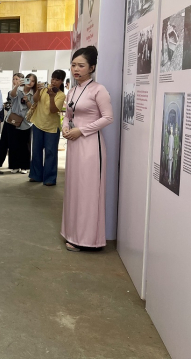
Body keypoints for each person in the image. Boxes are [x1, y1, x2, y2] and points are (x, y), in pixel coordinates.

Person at [61, 47, 113, 251]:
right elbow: (68, 114)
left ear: (91, 68)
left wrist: (81, 131)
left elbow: (108, 118)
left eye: (81, 66)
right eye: (73, 65)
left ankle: (88, 239)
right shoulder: (72, 90)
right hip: (74, 145)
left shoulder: (99, 90)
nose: (76, 69)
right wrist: (66, 127)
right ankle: (72, 233)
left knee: (88, 191)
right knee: (74, 189)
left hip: (90, 146)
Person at [29, 69, 67, 186]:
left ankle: (49, 178)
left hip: (52, 127)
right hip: (38, 123)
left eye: (57, 79)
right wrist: (38, 90)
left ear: (61, 81)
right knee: (36, 151)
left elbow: (53, 110)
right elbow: (34, 100)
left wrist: (51, 97)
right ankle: (36, 175)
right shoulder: (44, 88)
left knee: (50, 153)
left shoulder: (61, 95)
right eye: (53, 78)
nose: (54, 81)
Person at [0, 73, 36, 174]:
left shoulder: (34, 93)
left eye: (32, 81)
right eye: (28, 80)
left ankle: (24, 166)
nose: (30, 83)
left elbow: (33, 108)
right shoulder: (18, 90)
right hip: (13, 120)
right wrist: (17, 85)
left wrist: (27, 100)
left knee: (25, 145)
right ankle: (14, 165)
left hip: (26, 122)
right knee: (13, 144)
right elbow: (12, 95)